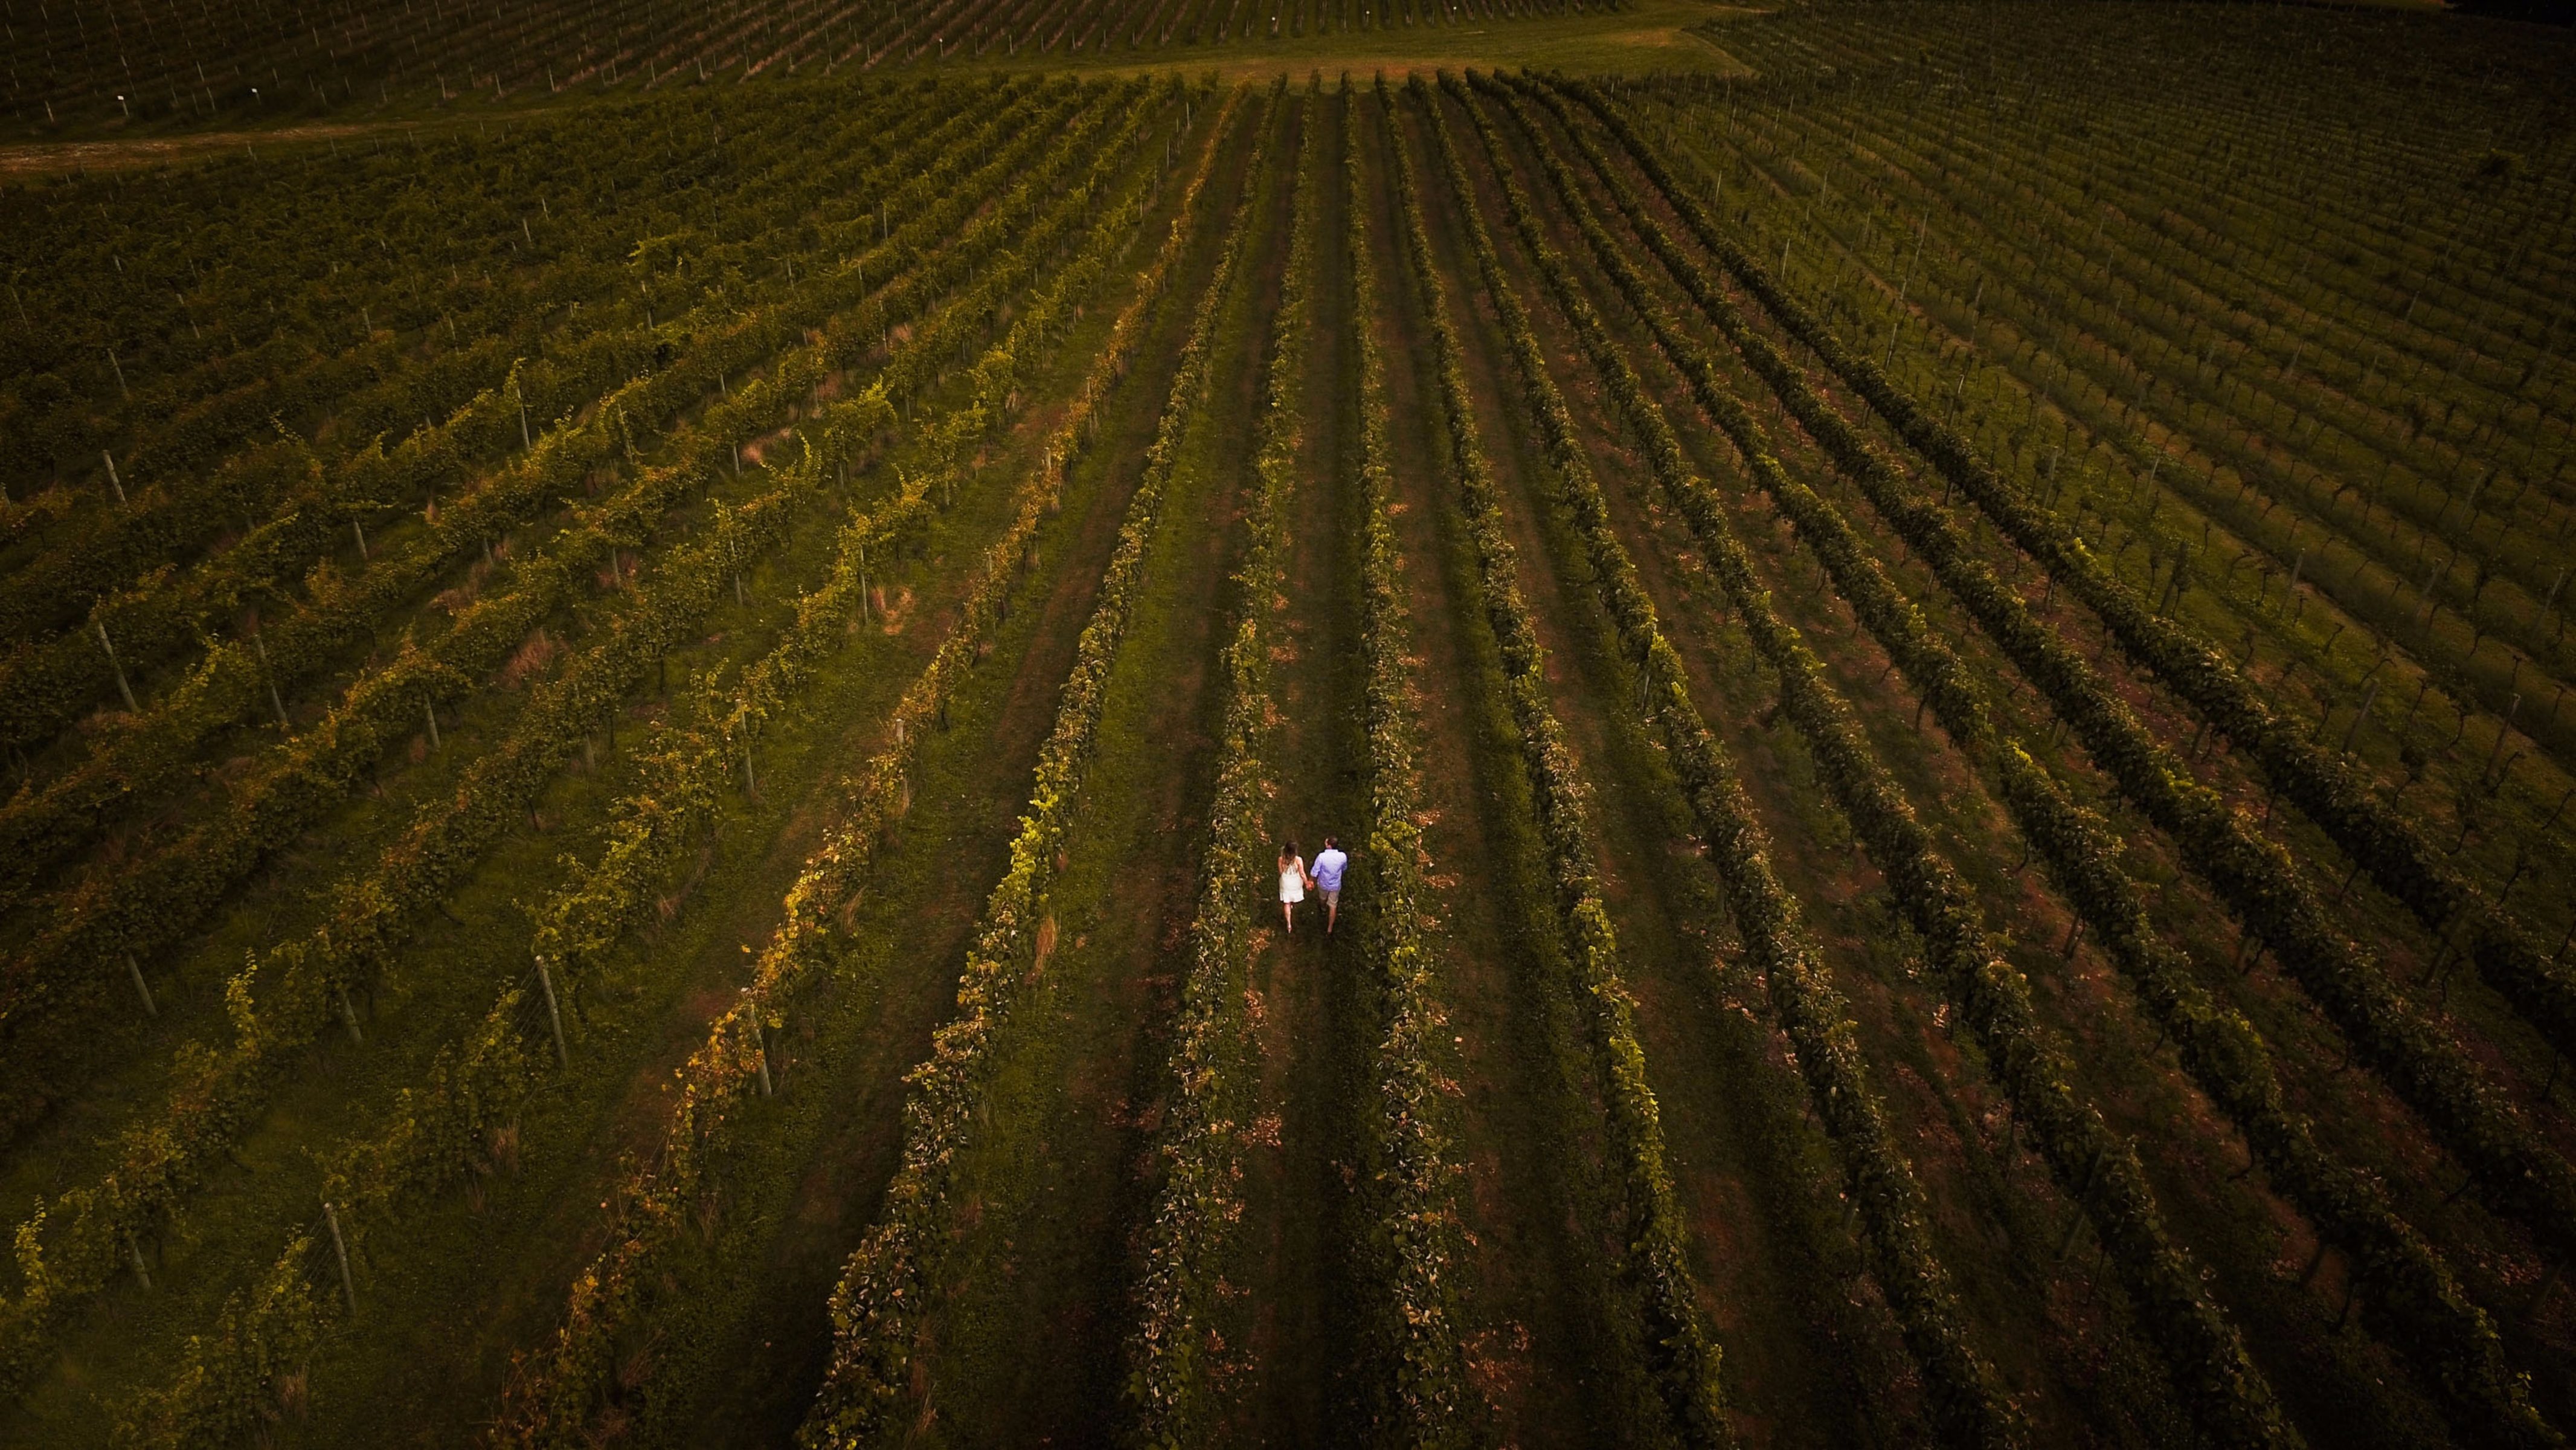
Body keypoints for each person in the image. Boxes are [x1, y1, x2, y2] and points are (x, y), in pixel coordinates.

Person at [1311, 836, 1348, 937]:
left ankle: (1323, 908)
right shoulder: (1342, 856)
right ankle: (1330, 929)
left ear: (1328, 845)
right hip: (1335, 885)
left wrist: (1312, 882)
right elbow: (1344, 868)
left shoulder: (1322, 857)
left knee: (1322, 898)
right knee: (1333, 906)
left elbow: (1315, 872)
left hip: (1324, 883)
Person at [1278, 842, 1311, 935]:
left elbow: (1281, 872)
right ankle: (1293, 902)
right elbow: (1302, 873)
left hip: (1286, 881)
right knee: (1292, 897)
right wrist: (1307, 883)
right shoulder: (1298, 860)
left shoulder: (1281, 859)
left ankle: (1289, 924)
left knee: (1286, 903)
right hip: (1295, 882)